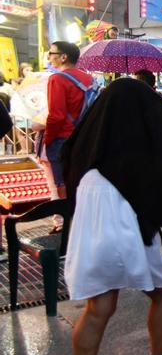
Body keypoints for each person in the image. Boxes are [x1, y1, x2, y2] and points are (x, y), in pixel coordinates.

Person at [62, 78, 162, 355]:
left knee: (100, 307)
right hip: (130, 228)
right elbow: (157, 191)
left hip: (89, 230)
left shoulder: (87, 153)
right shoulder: (136, 149)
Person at [43, 41, 94, 233]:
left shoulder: (57, 79)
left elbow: (56, 115)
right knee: (82, 182)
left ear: (63, 57)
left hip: (62, 140)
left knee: (61, 185)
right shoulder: (89, 80)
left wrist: (48, 140)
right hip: (84, 139)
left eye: (51, 53)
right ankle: (84, 223)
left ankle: (66, 228)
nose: (49, 57)